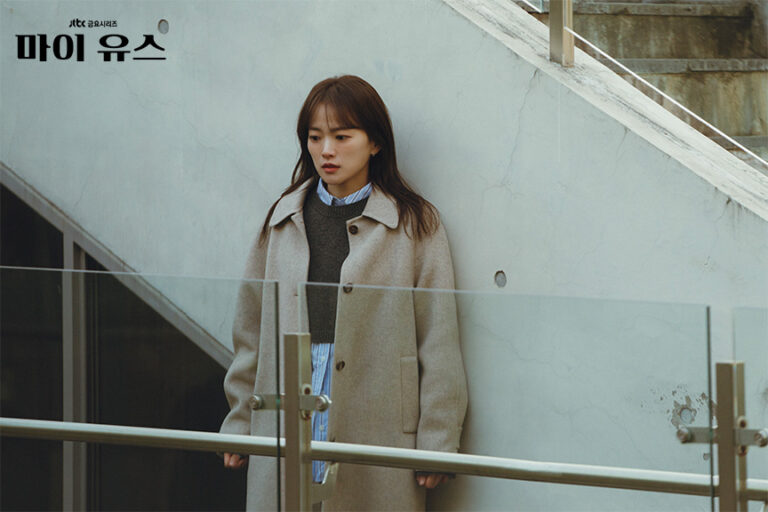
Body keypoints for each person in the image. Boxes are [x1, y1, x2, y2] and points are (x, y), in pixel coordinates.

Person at [220, 75, 468, 511]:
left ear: (375, 143)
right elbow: (251, 331)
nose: (326, 151)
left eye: (341, 136)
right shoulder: (283, 218)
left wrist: (438, 442)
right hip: (290, 398)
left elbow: (438, 340)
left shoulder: (415, 224)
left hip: (373, 410)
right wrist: (240, 422)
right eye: (315, 137)